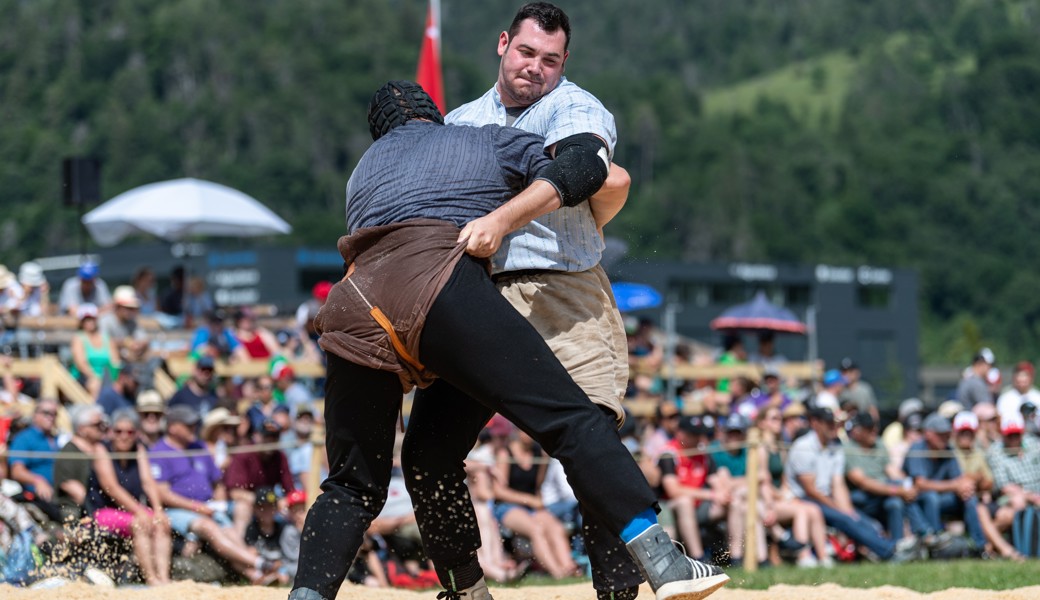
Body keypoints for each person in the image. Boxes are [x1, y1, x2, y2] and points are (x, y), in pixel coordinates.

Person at [289, 81, 727, 600]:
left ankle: (359, 593)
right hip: (441, 287)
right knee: (570, 419)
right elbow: (591, 171)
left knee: (353, 483)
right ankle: (662, 560)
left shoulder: (361, 174)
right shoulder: (478, 139)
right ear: (436, 117)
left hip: (353, 305)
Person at [443, 3, 642, 597]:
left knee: (594, 444)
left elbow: (589, 167)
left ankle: (617, 592)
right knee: (431, 451)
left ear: (564, 63)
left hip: (563, 287)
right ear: (503, 44)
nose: (535, 68)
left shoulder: (572, 105)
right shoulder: (459, 121)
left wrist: (503, 218)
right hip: (477, 290)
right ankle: (464, 587)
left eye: (550, 59)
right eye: (526, 52)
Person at [150, 405, 275, 582]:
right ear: (173, 427)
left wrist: (220, 505)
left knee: (232, 527)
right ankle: (260, 564)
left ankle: (254, 574)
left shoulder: (199, 447)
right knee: (210, 527)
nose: (194, 427)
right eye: (188, 424)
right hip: (177, 511)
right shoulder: (158, 452)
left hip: (206, 507)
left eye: (194, 423)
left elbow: (217, 484)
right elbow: (162, 494)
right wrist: (197, 507)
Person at [786, 406, 920, 562]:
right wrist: (840, 509)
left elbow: (838, 484)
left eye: (834, 423)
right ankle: (891, 552)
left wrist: (848, 510)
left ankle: (898, 546)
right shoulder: (803, 447)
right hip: (804, 500)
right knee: (846, 519)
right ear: (815, 423)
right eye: (828, 422)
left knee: (859, 519)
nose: (834, 426)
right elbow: (810, 490)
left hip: (825, 498)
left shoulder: (834, 447)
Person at [88, 408, 172, 585]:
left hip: (131, 511)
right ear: (111, 432)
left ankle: (164, 577)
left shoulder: (139, 450)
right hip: (103, 511)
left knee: (162, 523)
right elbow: (111, 487)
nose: (124, 436)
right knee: (140, 523)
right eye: (118, 431)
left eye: (129, 432)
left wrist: (158, 510)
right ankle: (151, 578)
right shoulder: (101, 449)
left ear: (136, 434)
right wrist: (140, 511)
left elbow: (148, 482)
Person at [904, 413, 986, 549]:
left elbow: (959, 479)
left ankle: (979, 547)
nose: (945, 438)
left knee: (969, 498)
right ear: (928, 434)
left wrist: (965, 486)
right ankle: (937, 544)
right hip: (918, 500)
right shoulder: (917, 449)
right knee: (931, 497)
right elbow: (920, 484)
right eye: (941, 434)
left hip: (943, 498)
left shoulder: (948, 450)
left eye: (947, 434)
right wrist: (955, 485)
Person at [843, 412, 924, 541]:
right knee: (897, 495)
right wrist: (897, 490)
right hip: (863, 497)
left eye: (875, 427)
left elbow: (891, 470)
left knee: (896, 502)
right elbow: (863, 483)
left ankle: (901, 544)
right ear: (857, 431)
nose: (874, 431)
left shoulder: (879, 444)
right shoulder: (848, 449)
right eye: (869, 428)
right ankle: (925, 533)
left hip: (884, 492)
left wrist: (909, 486)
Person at [8, 399, 62, 522]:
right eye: (46, 413)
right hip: (37, 499)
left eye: (54, 414)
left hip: (59, 497)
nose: (51, 417)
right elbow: (17, 471)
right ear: (35, 414)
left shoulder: (56, 438)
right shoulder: (24, 438)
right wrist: (37, 480)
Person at [53, 405, 108, 522]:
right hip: (74, 509)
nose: (102, 428)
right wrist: (93, 510)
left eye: (103, 424)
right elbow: (68, 485)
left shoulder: (102, 448)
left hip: (99, 507)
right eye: (96, 425)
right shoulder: (69, 451)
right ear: (82, 428)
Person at [69, 303, 121, 397]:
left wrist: (115, 380)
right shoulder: (78, 338)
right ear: (81, 321)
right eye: (86, 319)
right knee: (94, 385)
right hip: (83, 377)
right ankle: (96, 410)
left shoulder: (106, 338)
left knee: (119, 386)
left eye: (92, 318)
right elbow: (81, 363)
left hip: (105, 376)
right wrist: (95, 377)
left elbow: (115, 362)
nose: (90, 322)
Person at [99, 286, 150, 365]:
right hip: (107, 366)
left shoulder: (132, 322)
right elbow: (101, 343)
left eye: (133, 308)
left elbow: (144, 339)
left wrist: (140, 345)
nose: (131, 311)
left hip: (127, 364)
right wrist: (126, 343)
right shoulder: (105, 321)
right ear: (118, 307)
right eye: (128, 308)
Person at [839, 358, 879, 423]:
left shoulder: (864, 389)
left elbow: (873, 411)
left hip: (862, 424)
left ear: (857, 372)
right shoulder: (839, 390)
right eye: (844, 372)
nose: (847, 374)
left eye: (850, 371)